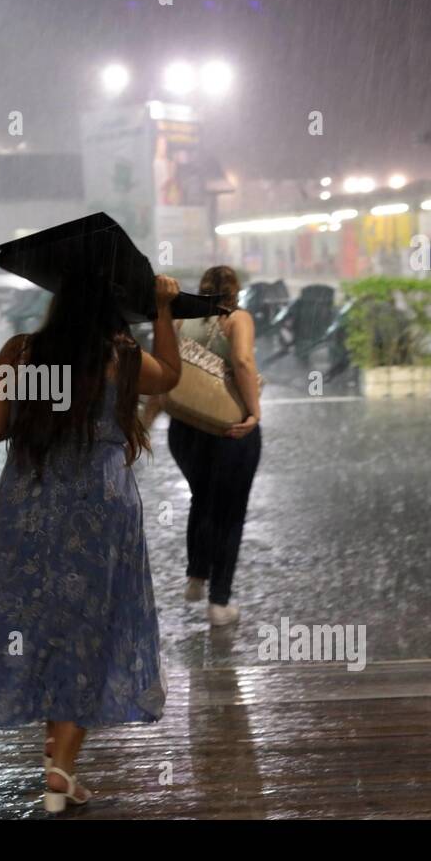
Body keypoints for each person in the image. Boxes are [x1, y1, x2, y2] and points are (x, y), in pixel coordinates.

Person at [0, 266, 182, 814]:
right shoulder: (120, 354)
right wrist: (164, 309)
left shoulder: (21, 352)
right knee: (87, 630)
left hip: (31, 502)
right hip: (102, 505)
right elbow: (169, 377)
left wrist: (33, 405)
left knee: (34, 622)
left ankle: (58, 769)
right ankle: (60, 771)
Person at [166, 266, 263, 627]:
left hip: (186, 428)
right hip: (228, 429)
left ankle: (196, 576)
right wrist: (253, 412)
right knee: (231, 512)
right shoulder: (237, 319)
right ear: (235, 290)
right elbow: (242, 361)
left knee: (202, 499)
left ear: (202, 289)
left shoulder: (181, 321)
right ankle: (219, 602)